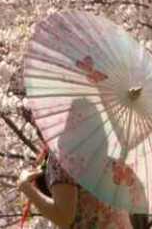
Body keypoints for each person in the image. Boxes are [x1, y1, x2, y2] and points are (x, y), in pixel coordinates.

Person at [17, 98, 135, 228]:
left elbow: (63, 217)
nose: (34, 120)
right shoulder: (109, 156)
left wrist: (26, 187)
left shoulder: (65, 158)